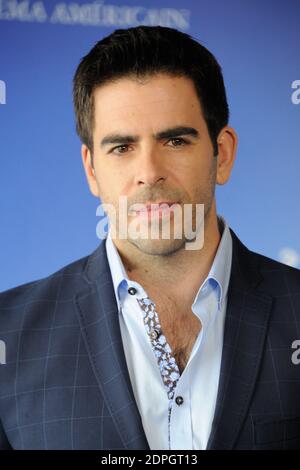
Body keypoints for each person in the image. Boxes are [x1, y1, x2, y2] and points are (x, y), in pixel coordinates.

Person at [0, 25, 300, 451]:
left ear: (223, 155)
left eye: (175, 140)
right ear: (91, 170)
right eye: (121, 147)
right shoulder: (7, 336)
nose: (149, 172)